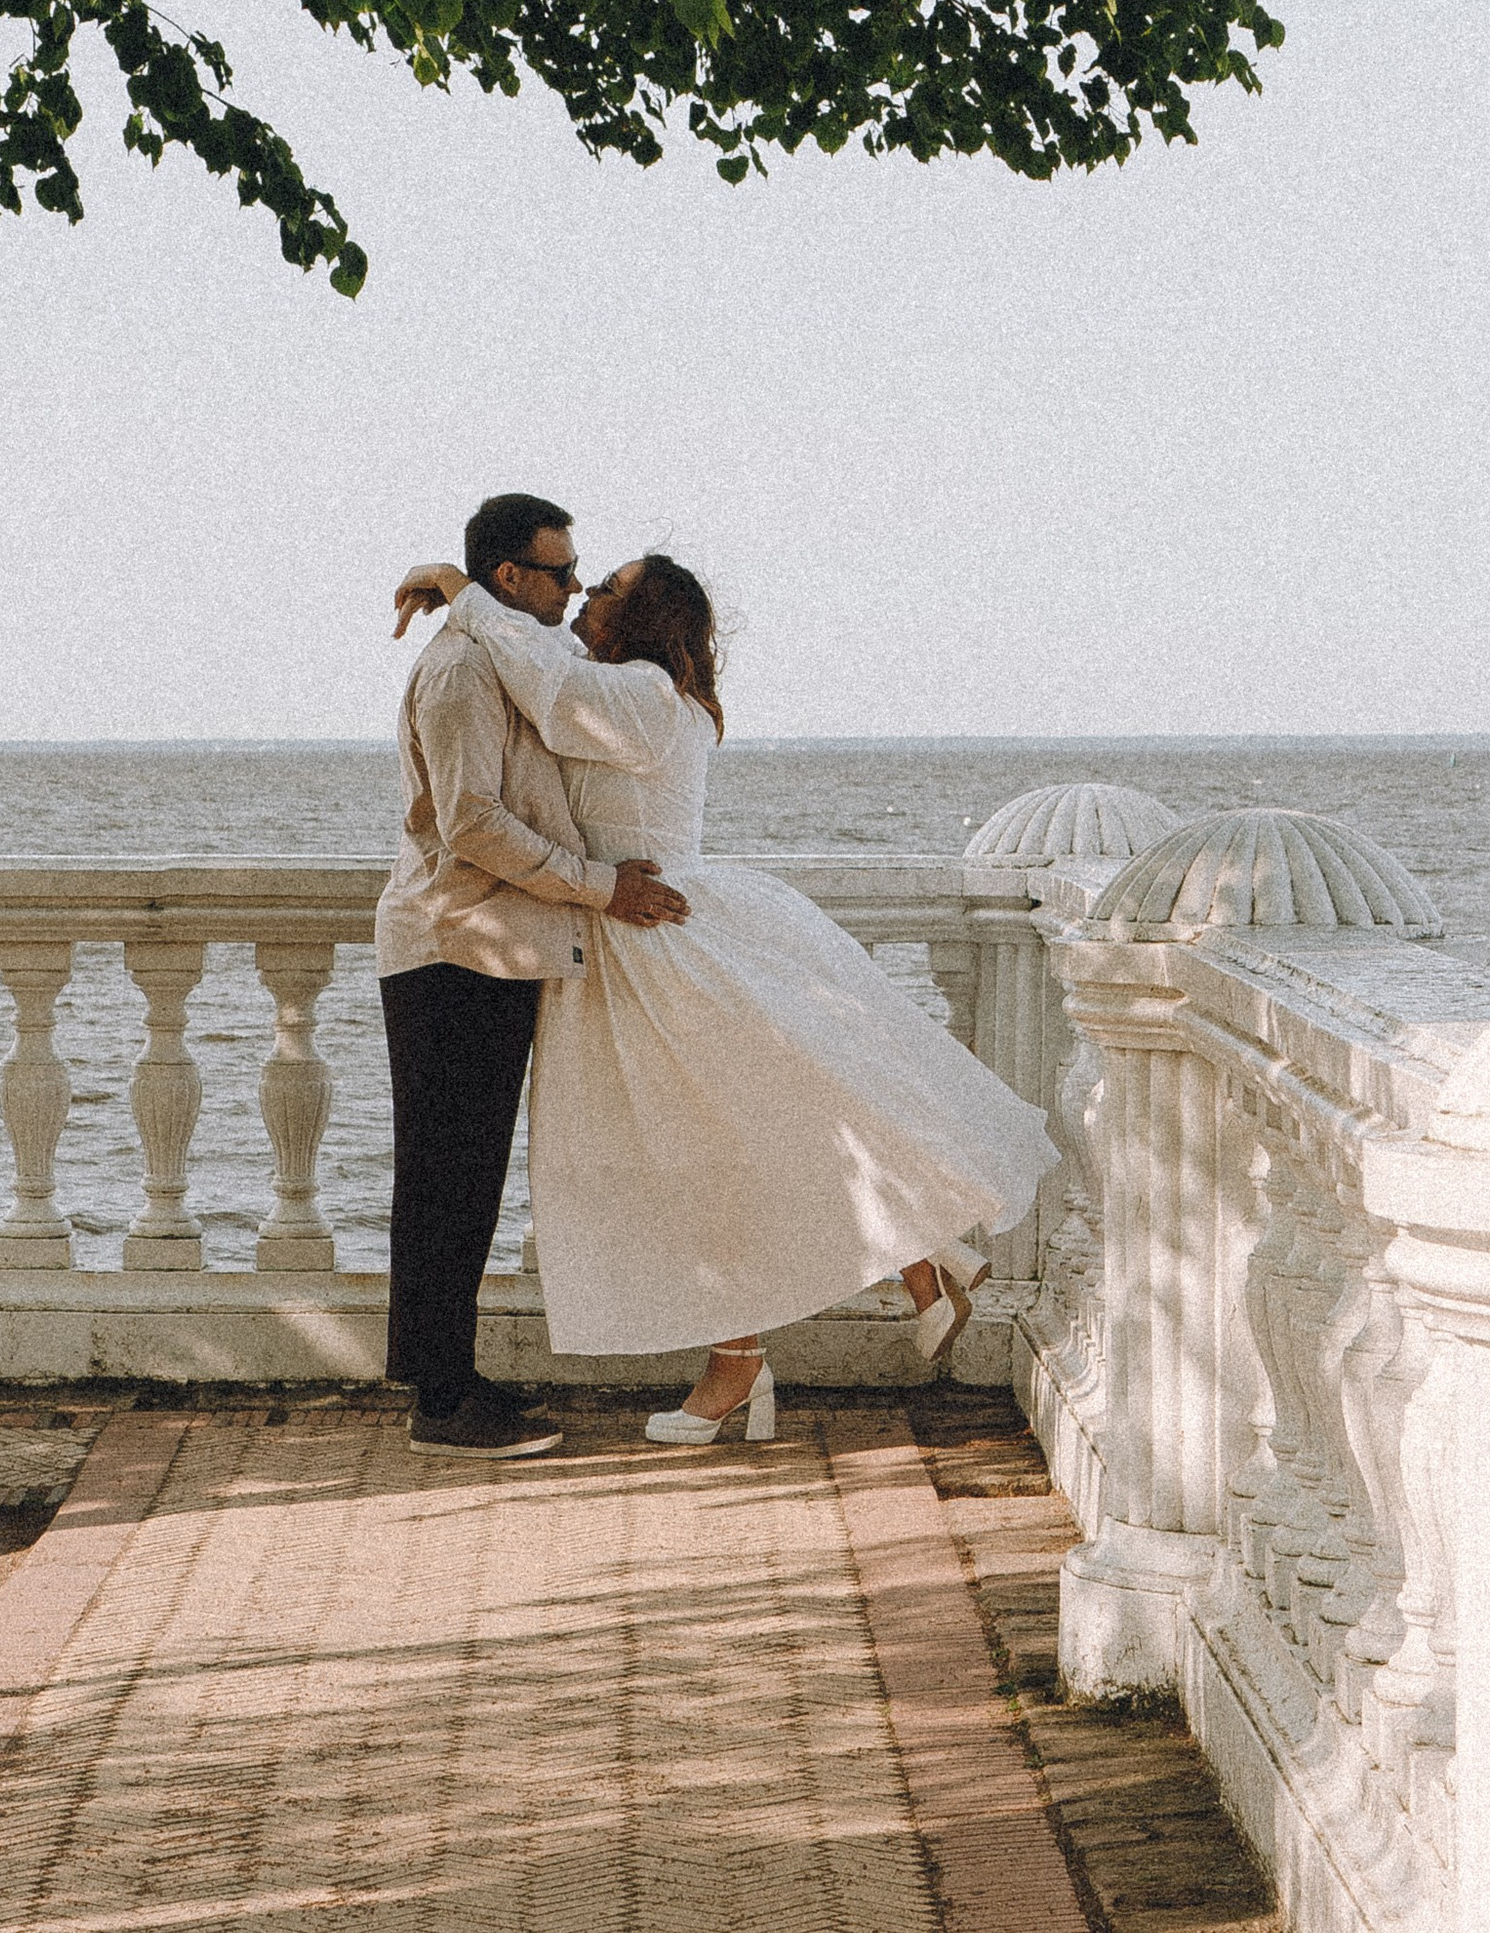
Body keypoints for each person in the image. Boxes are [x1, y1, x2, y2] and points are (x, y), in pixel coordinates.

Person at [391, 548, 1056, 1442]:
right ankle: (906, 1260)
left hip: (653, 943)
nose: (588, 593)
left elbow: (539, 682)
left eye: (610, 588)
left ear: (646, 618)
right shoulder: (651, 695)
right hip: (631, 941)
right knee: (721, 1148)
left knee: (709, 1155)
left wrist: (460, 586)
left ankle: (777, 1339)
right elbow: (537, 677)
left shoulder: (639, 696)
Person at [375, 493, 690, 1455]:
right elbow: (468, 821)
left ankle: (451, 1377)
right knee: (443, 1179)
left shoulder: (507, 649)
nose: (574, 585)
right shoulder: (467, 669)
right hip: (454, 943)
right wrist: (600, 888)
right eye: (559, 571)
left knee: (465, 1177)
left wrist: (451, 583)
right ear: (511, 577)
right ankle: (439, 1404)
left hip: (491, 944)